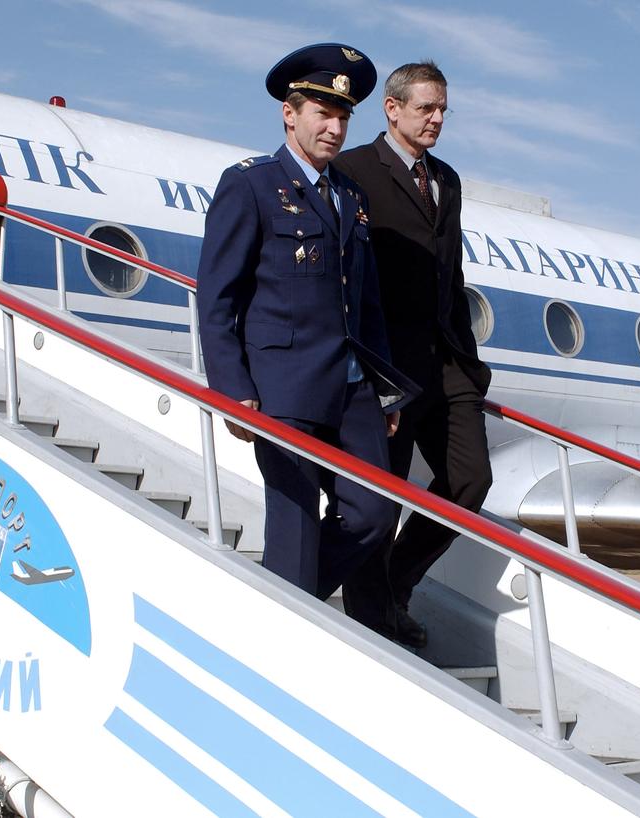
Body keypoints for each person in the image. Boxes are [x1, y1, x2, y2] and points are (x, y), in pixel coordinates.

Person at [196, 43, 417, 634]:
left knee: (374, 513)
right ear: (288, 114)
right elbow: (217, 296)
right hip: (282, 385)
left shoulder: (351, 196)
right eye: (322, 111)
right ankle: (283, 639)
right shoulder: (251, 186)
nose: (335, 126)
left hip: (352, 387)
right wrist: (231, 390)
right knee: (293, 520)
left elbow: (363, 303)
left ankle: (268, 610)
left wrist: (385, 389)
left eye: (343, 115)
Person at [333, 62, 492, 648]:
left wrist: (469, 364)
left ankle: (397, 584)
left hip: (446, 362)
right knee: (381, 491)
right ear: (392, 109)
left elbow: (450, 275)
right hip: (385, 365)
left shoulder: (446, 180)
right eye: (427, 108)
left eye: (443, 109)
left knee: (470, 480)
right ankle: (372, 620)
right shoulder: (351, 172)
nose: (438, 119)